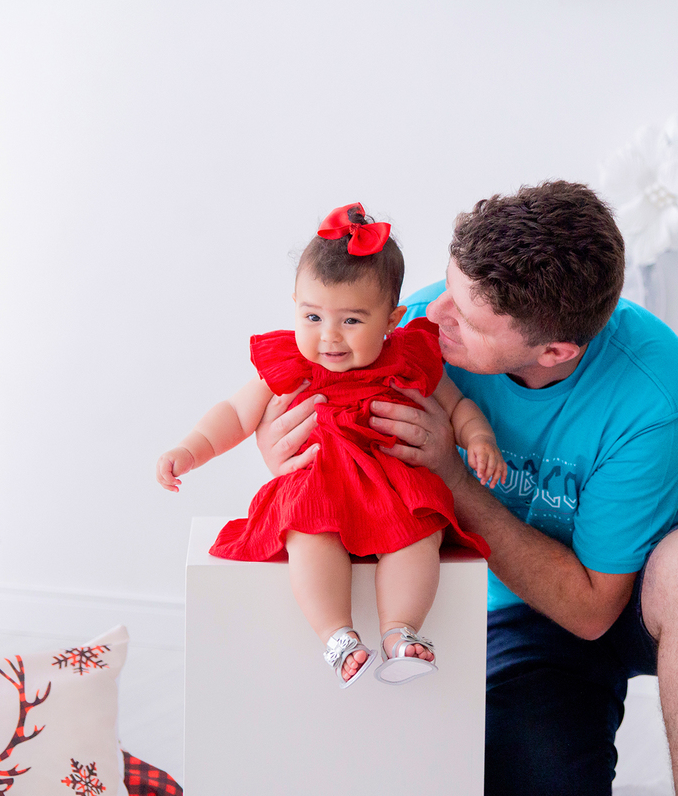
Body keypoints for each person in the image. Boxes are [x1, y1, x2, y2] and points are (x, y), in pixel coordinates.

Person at [254, 183, 678, 795]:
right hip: (518, 611)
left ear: (554, 351)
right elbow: (311, 419)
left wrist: (450, 474)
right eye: (448, 286)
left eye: (468, 320)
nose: (434, 313)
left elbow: (591, 608)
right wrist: (287, 444)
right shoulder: (409, 334)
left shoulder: (655, 389)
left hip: (632, 593)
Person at [157, 203, 502, 688]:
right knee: (308, 535)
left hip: (392, 486)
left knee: (419, 534)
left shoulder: (408, 358)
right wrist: (189, 450)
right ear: (294, 303)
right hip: (318, 481)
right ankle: (337, 636)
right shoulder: (288, 363)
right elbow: (235, 414)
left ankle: (401, 630)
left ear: (392, 319)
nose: (329, 337)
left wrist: (479, 438)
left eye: (352, 321)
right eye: (313, 315)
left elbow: (457, 405)